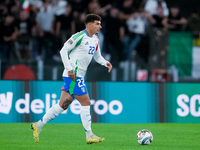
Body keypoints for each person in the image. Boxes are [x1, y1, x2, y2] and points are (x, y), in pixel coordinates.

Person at [31, 14, 112, 144]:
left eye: (100, 24)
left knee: (63, 105)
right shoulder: (79, 36)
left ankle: (38, 125)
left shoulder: (96, 39)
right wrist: (69, 69)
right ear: (89, 25)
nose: (100, 26)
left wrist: (105, 62)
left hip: (78, 75)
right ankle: (89, 135)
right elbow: (63, 51)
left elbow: (97, 57)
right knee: (86, 102)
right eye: (97, 23)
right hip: (73, 75)